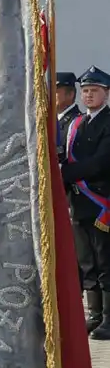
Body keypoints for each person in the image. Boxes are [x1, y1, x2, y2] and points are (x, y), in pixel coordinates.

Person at [62, 67, 110, 339]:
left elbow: (101, 161)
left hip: (101, 201)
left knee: (105, 261)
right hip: (79, 203)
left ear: (106, 93)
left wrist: (65, 173)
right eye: (86, 91)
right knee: (87, 262)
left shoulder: (107, 122)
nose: (89, 95)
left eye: (95, 90)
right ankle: (94, 314)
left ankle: (109, 318)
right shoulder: (78, 124)